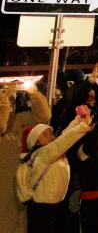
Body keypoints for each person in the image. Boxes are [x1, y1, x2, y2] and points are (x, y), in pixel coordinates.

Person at [18, 112, 93, 233]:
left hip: (51, 205)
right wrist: (82, 127)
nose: (50, 136)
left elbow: (64, 136)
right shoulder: (42, 153)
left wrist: (78, 119)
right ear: (36, 142)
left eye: (50, 133)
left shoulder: (50, 149)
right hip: (41, 207)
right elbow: (63, 142)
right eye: (45, 135)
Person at [1, 81, 52, 233]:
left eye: (12, 103)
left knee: (18, 222)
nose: (11, 108)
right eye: (8, 105)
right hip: (3, 192)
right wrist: (5, 99)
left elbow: (44, 116)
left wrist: (34, 93)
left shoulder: (19, 121)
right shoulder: (5, 126)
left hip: (16, 188)